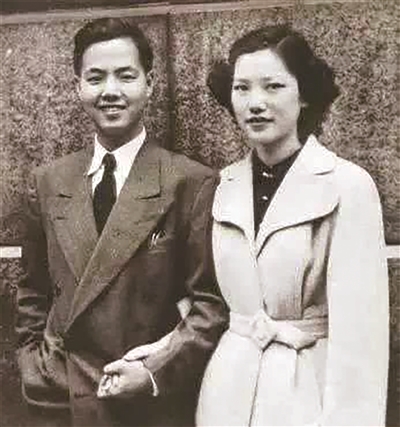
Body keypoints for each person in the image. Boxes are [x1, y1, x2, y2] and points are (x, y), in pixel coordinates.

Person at [15, 17, 227, 427]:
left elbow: (210, 305)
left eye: (125, 76)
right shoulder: (48, 181)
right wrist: (33, 364)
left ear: (150, 84)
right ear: (77, 87)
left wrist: (154, 372)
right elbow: (32, 291)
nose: (110, 91)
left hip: (143, 404)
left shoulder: (190, 181)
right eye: (95, 78)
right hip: (60, 399)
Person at [194, 24, 389, 426]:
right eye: (242, 88)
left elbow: (361, 338)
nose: (255, 103)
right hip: (227, 394)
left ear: (303, 95)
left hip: (307, 392)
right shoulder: (222, 185)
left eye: (273, 86)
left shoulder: (346, 185)